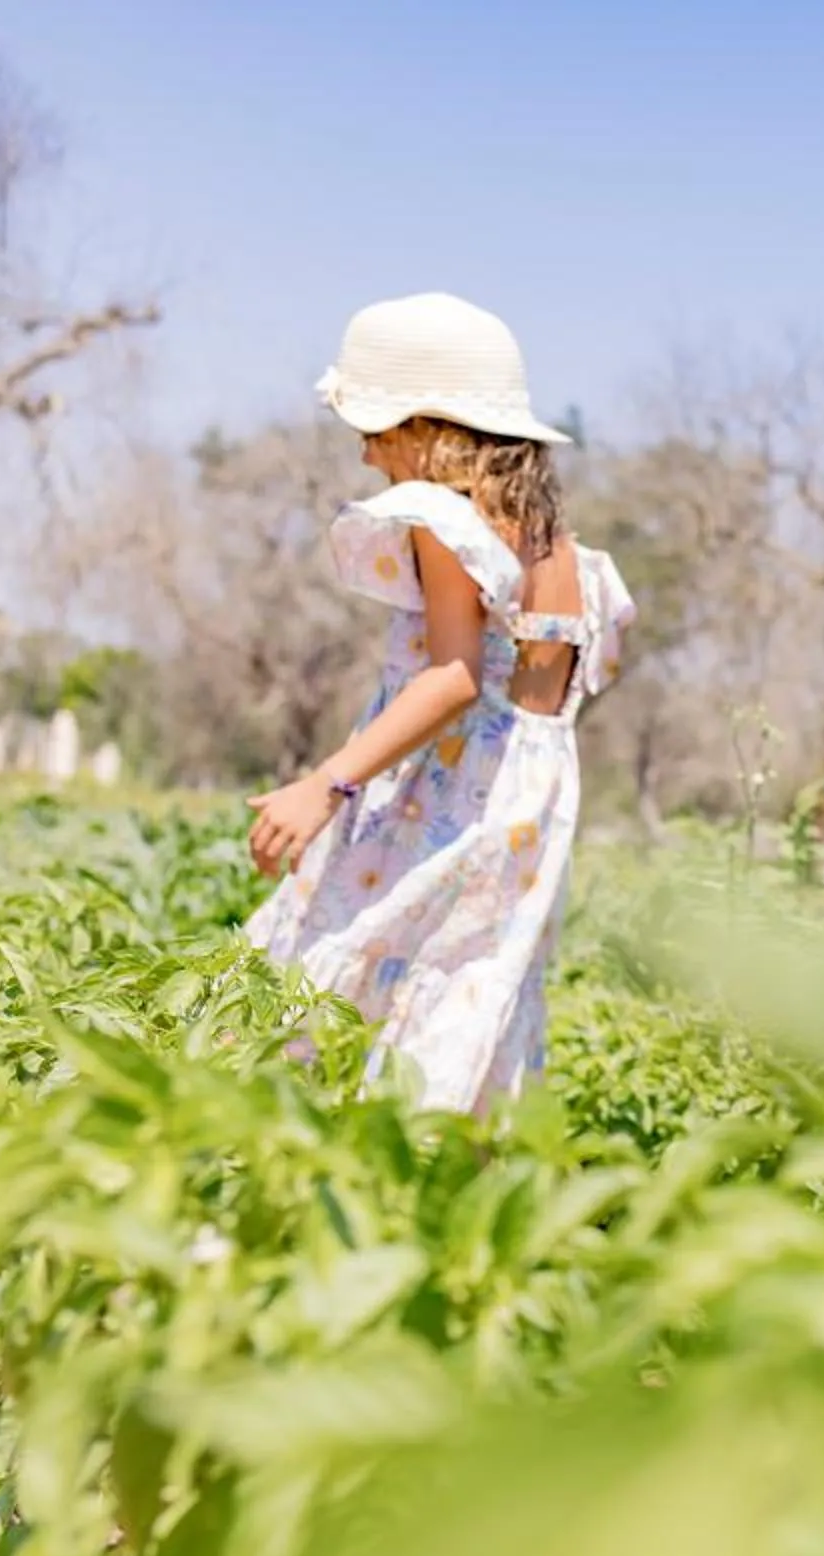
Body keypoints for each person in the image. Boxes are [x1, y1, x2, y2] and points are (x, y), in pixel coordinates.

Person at [243, 293, 635, 1114]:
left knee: (333, 963)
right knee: (469, 988)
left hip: (447, 789)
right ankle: (445, 1189)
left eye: (375, 430)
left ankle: (278, 1175)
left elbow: (454, 677)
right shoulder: (560, 548)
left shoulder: (443, 520)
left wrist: (327, 783)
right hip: (529, 799)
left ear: (429, 430)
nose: (364, 455)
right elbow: (541, 694)